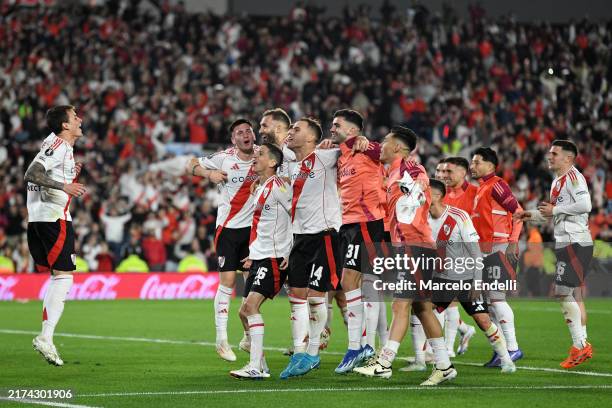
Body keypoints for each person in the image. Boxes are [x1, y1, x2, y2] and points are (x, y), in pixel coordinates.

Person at [354, 126, 456, 386]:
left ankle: (384, 362)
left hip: (415, 247)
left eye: (386, 142)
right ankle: (444, 366)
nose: (381, 146)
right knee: (422, 309)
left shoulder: (410, 168)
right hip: (409, 247)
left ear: (397, 148)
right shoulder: (391, 172)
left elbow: (419, 190)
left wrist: (412, 197)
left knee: (400, 305)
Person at [514, 140, 593, 368]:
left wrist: (555, 210)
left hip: (576, 242)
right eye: (550, 153)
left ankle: (580, 345)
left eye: (554, 153)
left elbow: (585, 204)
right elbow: (555, 214)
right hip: (567, 242)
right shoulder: (558, 181)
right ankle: (581, 344)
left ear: (568, 158)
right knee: (573, 296)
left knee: (562, 292)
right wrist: (530, 215)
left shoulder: (574, 178)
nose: (550, 156)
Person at [186, 118, 257, 362]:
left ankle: (248, 337)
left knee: (252, 288)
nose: (246, 134)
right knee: (227, 282)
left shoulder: (264, 156)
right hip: (228, 229)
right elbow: (190, 164)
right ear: (233, 139)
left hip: (254, 231)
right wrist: (209, 174)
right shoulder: (224, 157)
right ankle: (221, 340)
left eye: (249, 130)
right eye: (240, 132)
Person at [427, 179, 515, 373]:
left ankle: (506, 359)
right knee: (423, 311)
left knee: (483, 320)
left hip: (465, 277)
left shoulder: (458, 216)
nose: (421, 195)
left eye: (426, 192)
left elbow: (475, 253)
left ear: (437, 196)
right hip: (440, 279)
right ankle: (433, 357)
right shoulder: (421, 217)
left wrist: (476, 282)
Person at [24, 105, 87, 366]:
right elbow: (32, 174)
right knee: (64, 277)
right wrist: (64, 185)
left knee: (59, 277)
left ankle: (47, 336)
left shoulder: (54, 144)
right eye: (75, 117)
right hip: (53, 218)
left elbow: (43, 170)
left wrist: (69, 174)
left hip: (39, 217)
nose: (80, 120)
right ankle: (46, 337)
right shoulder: (60, 145)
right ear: (65, 125)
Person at [280, 118, 342, 379]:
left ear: (311, 139)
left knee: (317, 296)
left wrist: (346, 141)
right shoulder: (291, 167)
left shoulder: (326, 156)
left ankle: (313, 353)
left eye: (296, 129)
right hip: (298, 238)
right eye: (290, 128)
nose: (290, 132)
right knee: (296, 297)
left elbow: (359, 148)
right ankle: (298, 352)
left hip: (324, 235)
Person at [330, 109, 388, 373]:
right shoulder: (341, 156)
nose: (332, 128)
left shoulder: (366, 149)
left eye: (336, 125)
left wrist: (365, 142)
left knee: (353, 282)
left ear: (352, 130)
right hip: (348, 225)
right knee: (358, 284)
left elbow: (381, 152)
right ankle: (365, 345)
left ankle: (359, 347)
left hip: (367, 223)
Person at [231, 143, 291, 379]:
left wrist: (289, 251)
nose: (255, 156)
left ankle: (255, 366)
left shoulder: (278, 186)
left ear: (273, 162)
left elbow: (294, 214)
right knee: (243, 313)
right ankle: (261, 363)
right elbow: (264, 225)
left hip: (273, 257)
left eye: (261, 154)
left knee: (250, 307)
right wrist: (253, 251)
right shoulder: (261, 187)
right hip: (259, 255)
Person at [470, 147, 524, 367]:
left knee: (496, 298)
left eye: (477, 162)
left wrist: (513, 241)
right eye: (472, 163)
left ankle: (512, 348)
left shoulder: (497, 185)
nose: (473, 166)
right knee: (488, 303)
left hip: (497, 247)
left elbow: (518, 211)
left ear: (490, 165)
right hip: (484, 249)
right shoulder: (482, 188)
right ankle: (501, 350)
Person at [436, 157, 478, 356]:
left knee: (446, 302)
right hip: (441, 254)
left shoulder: (476, 193)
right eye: (440, 171)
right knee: (441, 302)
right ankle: (463, 331)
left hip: (465, 255)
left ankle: (447, 348)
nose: (443, 175)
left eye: (448, 172)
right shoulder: (439, 195)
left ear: (463, 173)